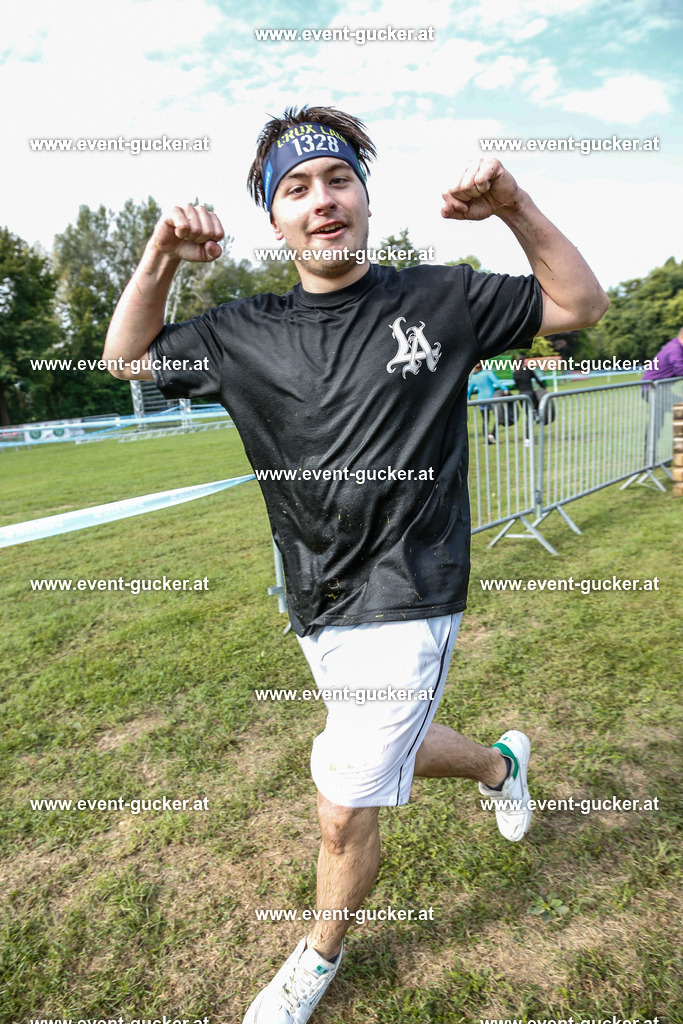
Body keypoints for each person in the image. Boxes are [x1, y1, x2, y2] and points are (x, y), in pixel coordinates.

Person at [103, 105, 609, 1024]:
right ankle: (500, 767)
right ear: (273, 221)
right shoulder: (240, 329)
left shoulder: (439, 298)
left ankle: (315, 958)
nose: (320, 200)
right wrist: (161, 257)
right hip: (311, 589)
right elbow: (125, 360)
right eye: (294, 189)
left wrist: (514, 205)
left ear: (364, 198)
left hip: (410, 589)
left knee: (344, 802)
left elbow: (578, 305)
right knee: (391, 746)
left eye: (336, 179)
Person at [641, 328, 683, 462]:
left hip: (658, 389)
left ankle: (650, 458)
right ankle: (652, 457)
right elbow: (680, 369)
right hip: (653, 389)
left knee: (657, 423)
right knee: (659, 421)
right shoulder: (675, 349)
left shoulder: (676, 346)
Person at [467, 361, 510, 443]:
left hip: (480, 400)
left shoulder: (474, 376)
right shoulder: (488, 372)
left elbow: (470, 389)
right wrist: (505, 389)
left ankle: (486, 441)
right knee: (499, 417)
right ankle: (492, 433)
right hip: (491, 398)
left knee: (485, 420)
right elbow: (497, 381)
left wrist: (468, 397)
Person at [512, 356, 546, 443]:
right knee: (531, 414)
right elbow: (537, 379)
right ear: (523, 362)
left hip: (521, 396)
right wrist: (543, 387)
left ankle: (528, 435)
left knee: (528, 414)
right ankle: (527, 437)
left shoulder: (515, 373)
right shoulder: (528, 369)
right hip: (530, 394)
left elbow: (516, 386)